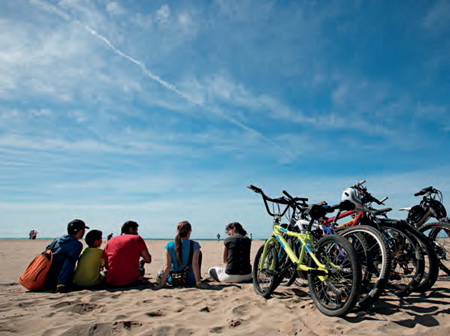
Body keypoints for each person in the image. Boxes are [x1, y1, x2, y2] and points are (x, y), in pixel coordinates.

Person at [155, 221, 207, 289]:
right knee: (198, 255)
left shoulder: (170, 245)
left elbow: (167, 266)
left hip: (173, 280)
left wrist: (161, 284)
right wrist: (198, 283)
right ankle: (198, 278)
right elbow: (195, 264)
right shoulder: (195, 245)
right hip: (190, 280)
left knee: (160, 273)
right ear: (189, 232)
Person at [44, 219, 89, 293]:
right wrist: (61, 284)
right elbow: (69, 264)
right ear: (79, 231)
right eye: (83, 230)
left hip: (45, 278)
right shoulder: (77, 245)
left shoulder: (56, 240)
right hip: (56, 281)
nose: (84, 232)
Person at [102, 221, 151, 287]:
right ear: (131, 229)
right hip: (131, 281)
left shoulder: (110, 241)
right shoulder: (137, 238)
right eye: (136, 231)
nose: (137, 233)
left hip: (112, 281)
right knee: (141, 269)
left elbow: (106, 265)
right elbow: (148, 260)